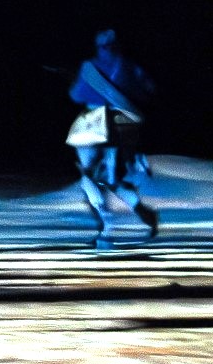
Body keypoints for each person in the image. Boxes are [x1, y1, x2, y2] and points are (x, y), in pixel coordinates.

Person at [67, 28, 160, 245]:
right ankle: (139, 214)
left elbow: (76, 94)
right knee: (107, 179)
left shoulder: (90, 67)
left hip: (94, 124)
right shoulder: (128, 66)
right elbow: (148, 89)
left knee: (92, 176)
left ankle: (108, 224)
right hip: (121, 124)